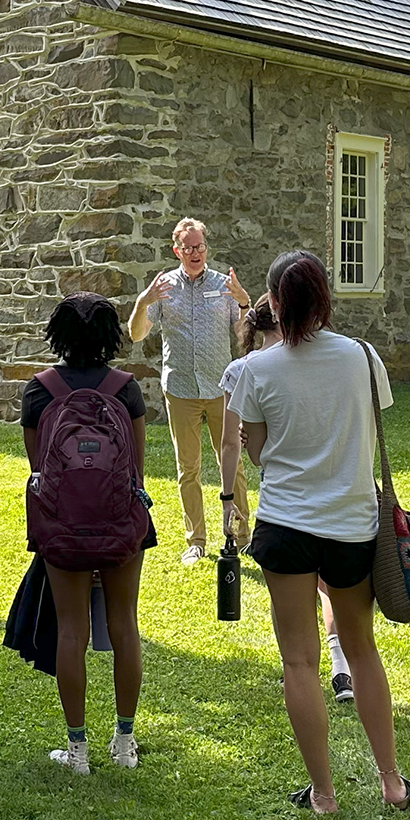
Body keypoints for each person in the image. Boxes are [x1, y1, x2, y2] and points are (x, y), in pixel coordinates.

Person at [227, 250, 410, 814]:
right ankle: (390, 781)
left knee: (299, 662)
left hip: (286, 524)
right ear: (325, 298)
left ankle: (325, 794)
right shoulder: (363, 357)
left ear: (275, 303)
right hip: (353, 525)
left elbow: (257, 453)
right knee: (361, 650)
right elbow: (368, 422)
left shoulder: (255, 370)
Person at [24, 293, 152, 773]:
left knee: (71, 630)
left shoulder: (40, 391)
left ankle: (77, 749)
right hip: (121, 523)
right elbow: (135, 467)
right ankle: (124, 742)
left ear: (59, 335)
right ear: (109, 336)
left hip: (62, 525)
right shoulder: (126, 389)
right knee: (124, 626)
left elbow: (39, 467)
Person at [219, 299, 358, 705]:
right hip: (340, 501)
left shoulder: (246, 369)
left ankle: (299, 674)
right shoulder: (339, 358)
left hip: (286, 503)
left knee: (292, 603)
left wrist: (229, 497)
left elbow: (239, 446)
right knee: (329, 588)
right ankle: (340, 664)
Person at [129, 217, 250, 565]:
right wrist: (142, 301)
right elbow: (137, 334)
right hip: (180, 390)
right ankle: (196, 540)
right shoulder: (163, 288)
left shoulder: (223, 285)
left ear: (205, 248)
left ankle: (242, 536)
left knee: (233, 463)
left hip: (221, 390)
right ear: (176, 250)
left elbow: (246, 336)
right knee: (188, 469)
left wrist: (243, 302)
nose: (195, 253)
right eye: (189, 248)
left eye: (200, 247)